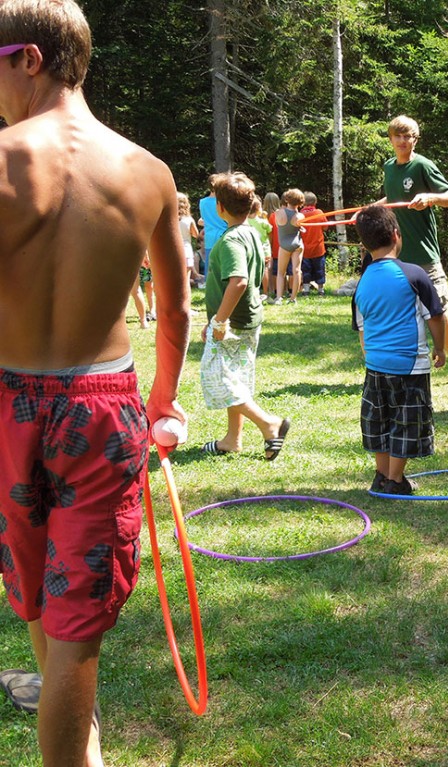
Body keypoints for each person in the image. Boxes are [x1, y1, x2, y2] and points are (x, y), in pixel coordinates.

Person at [0, 4, 191, 765]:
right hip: (102, 406)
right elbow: (174, 306)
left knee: (38, 595)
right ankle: (81, 743)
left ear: (30, 60)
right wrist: (164, 402)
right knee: (72, 616)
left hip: (9, 399)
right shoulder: (147, 171)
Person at [352, 204, 446, 496]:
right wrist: (441, 349)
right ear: (396, 235)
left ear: (364, 245)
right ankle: (395, 480)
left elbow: (362, 328)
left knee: (380, 421)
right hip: (409, 366)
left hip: (376, 366)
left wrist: (371, 357)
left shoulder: (362, 283)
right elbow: (436, 316)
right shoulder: (414, 274)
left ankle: (381, 475)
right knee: (405, 424)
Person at [200, 172, 290, 460]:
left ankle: (270, 424)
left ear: (220, 208)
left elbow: (238, 281)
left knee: (218, 379)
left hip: (234, 323)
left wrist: (220, 320)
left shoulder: (230, 241)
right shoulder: (250, 230)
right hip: (247, 318)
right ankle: (232, 439)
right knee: (234, 377)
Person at [381, 115, 448, 387]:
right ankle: (405, 366)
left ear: (415, 139)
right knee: (403, 313)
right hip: (399, 257)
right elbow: (394, 199)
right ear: (391, 139)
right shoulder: (389, 167)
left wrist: (431, 198)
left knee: (439, 311)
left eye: (408, 136)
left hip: (425, 256)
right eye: (398, 136)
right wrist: (375, 207)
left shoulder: (422, 166)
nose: (402, 141)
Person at [272, 187, 305, 304]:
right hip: (297, 244)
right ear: (300, 202)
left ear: (287, 199)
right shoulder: (301, 216)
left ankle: (279, 297)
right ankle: (293, 298)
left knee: (281, 272)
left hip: (284, 244)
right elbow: (299, 227)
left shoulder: (278, 213)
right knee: (297, 271)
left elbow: (278, 226)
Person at [199, 175, 228, 281]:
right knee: (224, 264)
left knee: (210, 265)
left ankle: (209, 286)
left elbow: (204, 219)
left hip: (210, 236)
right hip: (224, 235)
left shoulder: (202, 202)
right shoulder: (223, 202)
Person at [299, 191, 328, 294]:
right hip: (318, 248)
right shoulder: (319, 213)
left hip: (305, 249)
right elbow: (325, 227)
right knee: (320, 269)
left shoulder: (300, 215)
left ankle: (306, 289)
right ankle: (321, 289)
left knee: (305, 270)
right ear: (315, 202)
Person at [246, 197, 272, 299]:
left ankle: (251, 291)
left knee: (250, 269)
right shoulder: (263, 222)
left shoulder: (245, 221)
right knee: (265, 270)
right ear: (258, 210)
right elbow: (270, 231)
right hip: (264, 250)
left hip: (250, 249)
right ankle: (265, 292)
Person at [178, 192, 202, 287]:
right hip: (186, 251)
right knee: (185, 280)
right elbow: (196, 235)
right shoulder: (189, 219)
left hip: (172, 251)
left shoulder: (170, 219)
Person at [262, 191, 281, 299]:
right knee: (280, 270)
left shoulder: (261, 216)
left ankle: (270, 289)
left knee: (269, 269)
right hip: (278, 245)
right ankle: (283, 289)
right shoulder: (279, 215)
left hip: (267, 245)